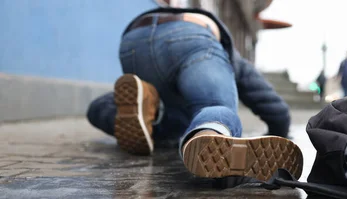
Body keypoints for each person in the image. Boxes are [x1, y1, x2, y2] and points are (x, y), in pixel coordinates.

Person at [86, 3, 303, 181]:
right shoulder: (230, 54)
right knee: (214, 108)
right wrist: (279, 131)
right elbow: (274, 108)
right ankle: (209, 132)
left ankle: (149, 110)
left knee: (103, 108)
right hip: (192, 37)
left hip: (133, 42)